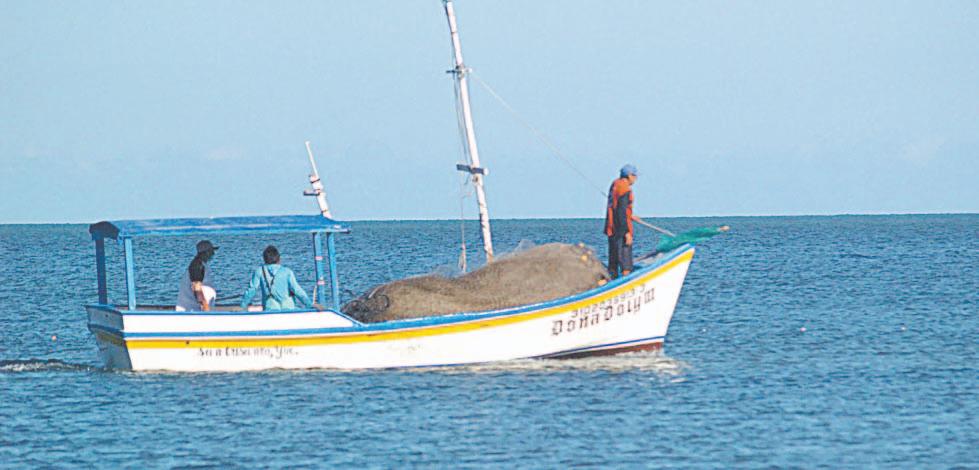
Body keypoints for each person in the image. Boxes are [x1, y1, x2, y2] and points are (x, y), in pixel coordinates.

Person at [240, 245, 314, 311]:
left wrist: (243, 306)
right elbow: (297, 290)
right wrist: (310, 305)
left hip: (270, 308)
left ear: (264, 259)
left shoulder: (259, 271)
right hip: (289, 309)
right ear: (279, 259)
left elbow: (252, 290)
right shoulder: (287, 272)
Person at [605, 164, 641, 279]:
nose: (636, 179)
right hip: (620, 231)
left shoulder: (615, 185)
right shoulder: (625, 189)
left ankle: (613, 280)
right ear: (629, 176)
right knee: (626, 263)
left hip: (611, 229)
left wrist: (630, 215)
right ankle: (626, 282)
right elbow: (621, 212)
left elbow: (618, 207)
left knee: (613, 261)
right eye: (635, 176)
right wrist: (626, 233)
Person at [175, 240, 218, 312]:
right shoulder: (197, 266)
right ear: (206, 252)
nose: (213, 253)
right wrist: (205, 305)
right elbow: (196, 288)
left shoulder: (202, 264)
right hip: (190, 310)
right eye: (211, 251)